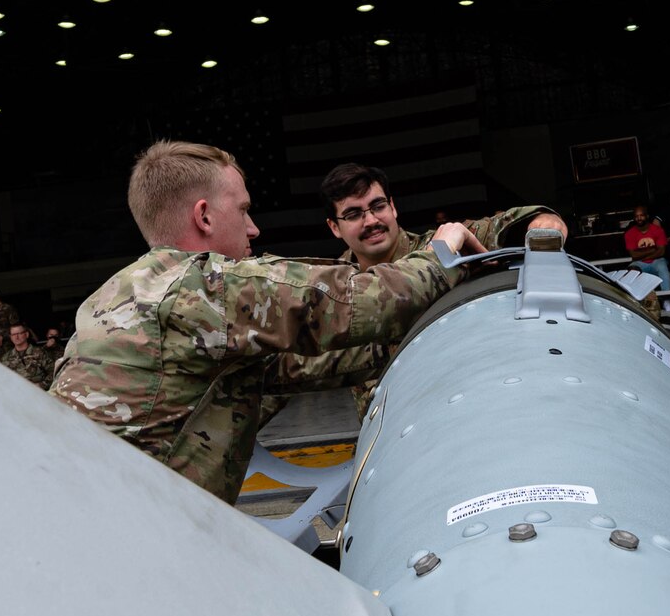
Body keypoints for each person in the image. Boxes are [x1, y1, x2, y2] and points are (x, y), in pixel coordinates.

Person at [49, 140, 481, 503]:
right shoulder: (208, 288)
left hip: (70, 508)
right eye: (243, 210)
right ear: (204, 216)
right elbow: (370, 301)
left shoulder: (110, 298)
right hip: (140, 531)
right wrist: (443, 248)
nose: (254, 229)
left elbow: (293, 366)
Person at [256, 163, 566, 432]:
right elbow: (283, 368)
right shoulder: (332, 296)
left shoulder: (447, 248)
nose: (371, 221)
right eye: (353, 214)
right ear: (334, 228)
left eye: (377, 206)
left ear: (393, 207)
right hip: (393, 442)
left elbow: (537, 220)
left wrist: (541, 237)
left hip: (469, 420)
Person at [624, 204, 670, 291]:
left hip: (657, 261)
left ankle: (667, 300)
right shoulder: (629, 233)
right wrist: (652, 251)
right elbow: (634, 255)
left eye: (641, 215)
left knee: (662, 267)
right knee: (632, 269)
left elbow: (661, 252)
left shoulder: (658, 230)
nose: (639, 218)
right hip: (639, 263)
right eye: (636, 216)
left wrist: (642, 255)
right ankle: (637, 299)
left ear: (647, 216)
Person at [1, 322, 56, 389]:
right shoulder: (6, 357)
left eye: (19, 333)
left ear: (26, 334)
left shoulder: (39, 353)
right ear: (10, 337)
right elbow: (2, 379)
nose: (16, 337)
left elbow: (54, 372)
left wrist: (41, 385)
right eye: (13, 334)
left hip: (38, 393)